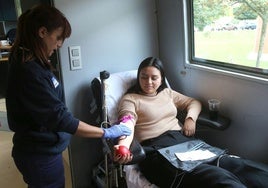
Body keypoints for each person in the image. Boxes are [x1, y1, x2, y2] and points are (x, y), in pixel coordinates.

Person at [5, 4, 131, 188]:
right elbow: (62, 119)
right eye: (57, 38)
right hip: (40, 155)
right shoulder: (29, 72)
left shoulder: (32, 60)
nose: (59, 44)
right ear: (42, 32)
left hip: (41, 150)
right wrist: (106, 132)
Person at [113, 57, 268, 188]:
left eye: (154, 77)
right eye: (144, 76)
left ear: (161, 79)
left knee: (240, 166)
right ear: (138, 77)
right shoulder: (131, 99)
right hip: (157, 151)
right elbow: (127, 123)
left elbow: (193, 103)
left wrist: (190, 119)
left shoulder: (167, 93)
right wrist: (123, 146)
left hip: (186, 143)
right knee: (219, 178)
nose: (149, 82)